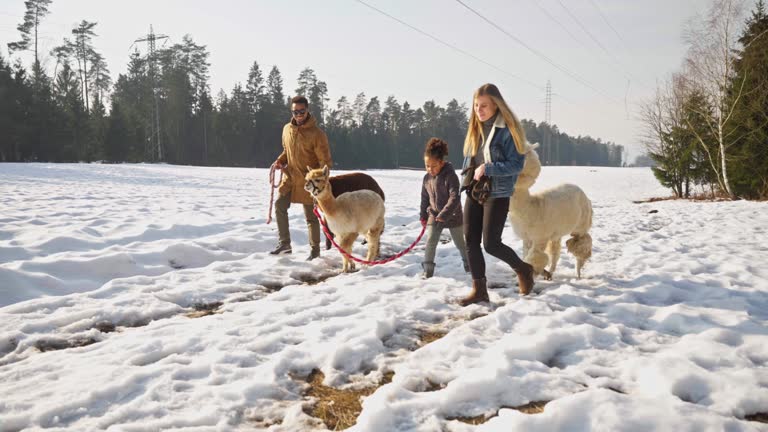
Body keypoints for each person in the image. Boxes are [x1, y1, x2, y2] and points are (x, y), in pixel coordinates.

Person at [459, 83, 535, 306]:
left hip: (498, 191)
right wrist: (463, 185)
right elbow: (470, 161)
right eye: (475, 106)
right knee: (470, 240)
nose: (478, 110)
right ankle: (479, 290)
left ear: (496, 106)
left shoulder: (508, 131)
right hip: (475, 190)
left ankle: (523, 269)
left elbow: (516, 165)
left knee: (491, 243)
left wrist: (489, 168)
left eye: (484, 106)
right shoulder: (475, 128)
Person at [270, 96, 332, 261]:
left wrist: (320, 183)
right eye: (295, 111)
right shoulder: (286, 129)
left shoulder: (317, 134)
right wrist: (280, 161)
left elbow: (325, 162)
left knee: (311, 217)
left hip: (308, 182)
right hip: (289, 178)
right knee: (279, 206)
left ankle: (315, 251)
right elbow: (287, 151)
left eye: (301, 111)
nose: (298, 114)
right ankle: (285, 244)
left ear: (307, 110)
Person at [419, 138, 470, 278]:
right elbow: (424, 198)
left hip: (453, 215)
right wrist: (423, 216)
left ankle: (469, 265)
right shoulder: (426, 178)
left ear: (441, 162)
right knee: (430, 242)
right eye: (427, 165)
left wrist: (444, 214)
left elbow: (455, 197)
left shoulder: (450, 176)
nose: (430, 169)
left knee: (460, 244)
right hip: (434, 214)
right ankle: (427, 271)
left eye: (433, 166)